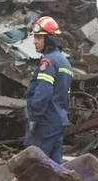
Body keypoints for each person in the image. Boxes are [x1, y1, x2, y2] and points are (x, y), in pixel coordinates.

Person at [24, 15, 73, 164]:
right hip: (59, 121)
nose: (35, 41)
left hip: (45, 122)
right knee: (55, 165)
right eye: (35, 37)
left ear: (49, 40)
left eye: (39, 38)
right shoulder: (65, 62)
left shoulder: (49, 62)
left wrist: (34, 117)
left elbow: (43, 93)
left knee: (33, 165)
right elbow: (66, 96)